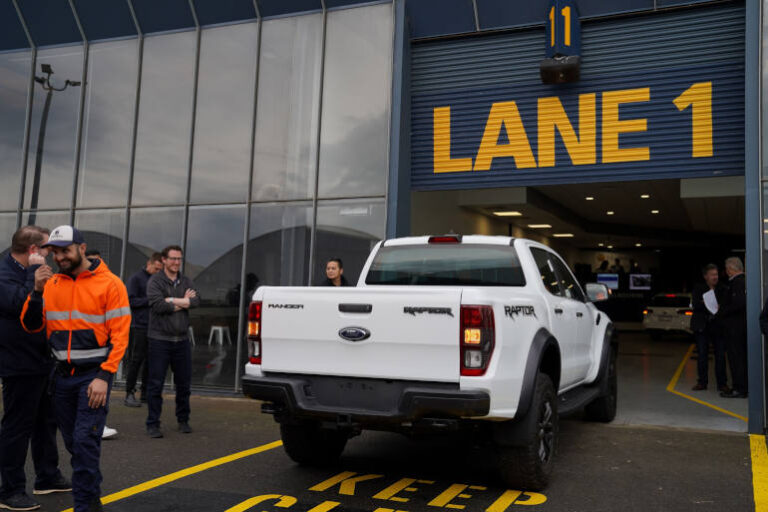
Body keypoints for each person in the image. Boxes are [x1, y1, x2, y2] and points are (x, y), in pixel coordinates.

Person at [20, 226, 130, 512]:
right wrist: (36, 291)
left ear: (82, 248)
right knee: (76, 446)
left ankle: (85, 506)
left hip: (92, 379)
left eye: (65, 250)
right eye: (54, 252)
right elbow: (31, 325)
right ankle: (92, 500)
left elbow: (120, 336)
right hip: (61, 380)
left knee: (84, 444)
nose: (59, 257)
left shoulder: (111, 284)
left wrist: (105, 376)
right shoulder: (51, 283)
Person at [0, 226, 70, 511]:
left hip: (42, 359)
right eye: (46, 249)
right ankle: (10, 490)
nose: (51, 254)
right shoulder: (4, 273)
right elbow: (19, 304)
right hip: (17, 363)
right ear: (32, 252)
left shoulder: (34, 272)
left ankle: (47, 476)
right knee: (17, 427)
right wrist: (34, 275)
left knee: (45, 423)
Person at [145, 245, 200, 438]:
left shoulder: (186, 280)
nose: (176, 262)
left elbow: (196, 301)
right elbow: (158, 306)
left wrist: (172, 300)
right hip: (159, 340)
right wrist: (182, 302)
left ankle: (183, 420)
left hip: (181, 341)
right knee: (155, 384)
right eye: (173, 259)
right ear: (164, 260)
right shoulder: (155, 281)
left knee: (184, 384)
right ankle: (153, 424)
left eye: (179, 259)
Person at [83, 249, 119, 441]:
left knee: (99, 390)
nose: (91, 265)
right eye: (88, 261)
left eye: (95, 261)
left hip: (100, 349)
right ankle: (96, 425)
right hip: (82, 351)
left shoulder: (109, 283)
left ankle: (98, 425)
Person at [123, 253, 163, 408]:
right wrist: (151, 300)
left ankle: (145, 393)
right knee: (136, 360)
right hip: (139, 326)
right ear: (150, 263)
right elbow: (130, 300)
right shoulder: (136, 278)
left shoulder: (158, 280)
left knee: (151, 362)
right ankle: (129, 393)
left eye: (161, 270)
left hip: (154, 327)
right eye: (156, 268)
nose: (158, 272)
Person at [689, 264, 729, 392]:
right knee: (702, 355)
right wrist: (707, 304)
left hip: (718, 327)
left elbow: (724, 305)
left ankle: (722, 384)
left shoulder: (723, 288)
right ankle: (702, 382)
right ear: (705, 276)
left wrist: (705, 302)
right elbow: (696, 304)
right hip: (702, 326)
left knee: (720, 356)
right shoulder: (698, 288)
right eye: (712, 275)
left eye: (716, 274)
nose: (715, 277)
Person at [719, 256, 748, 398]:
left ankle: (739, 388)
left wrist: (722, 310)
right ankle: (741, 386)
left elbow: (738, 303)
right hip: (740, 327)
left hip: (734, 328)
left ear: (730, 269)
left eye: (727, 269)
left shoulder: (737, 283)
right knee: (740, 357)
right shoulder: (745, 281)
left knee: (736, 358)